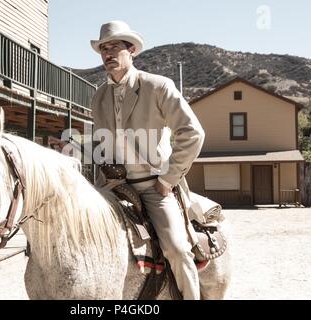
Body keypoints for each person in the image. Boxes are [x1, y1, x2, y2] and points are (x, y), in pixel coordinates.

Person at [53, 21, 205, 299]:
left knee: (176, 248)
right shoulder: (98, 95)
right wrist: (73, 147)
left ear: (131, 50)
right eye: (103, 49)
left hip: (154, 188)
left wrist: (168, 180)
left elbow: (192, 133)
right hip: (113, 186)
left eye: (114, 47)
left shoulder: (158, 86)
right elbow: (101, 142)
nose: (108, 54)